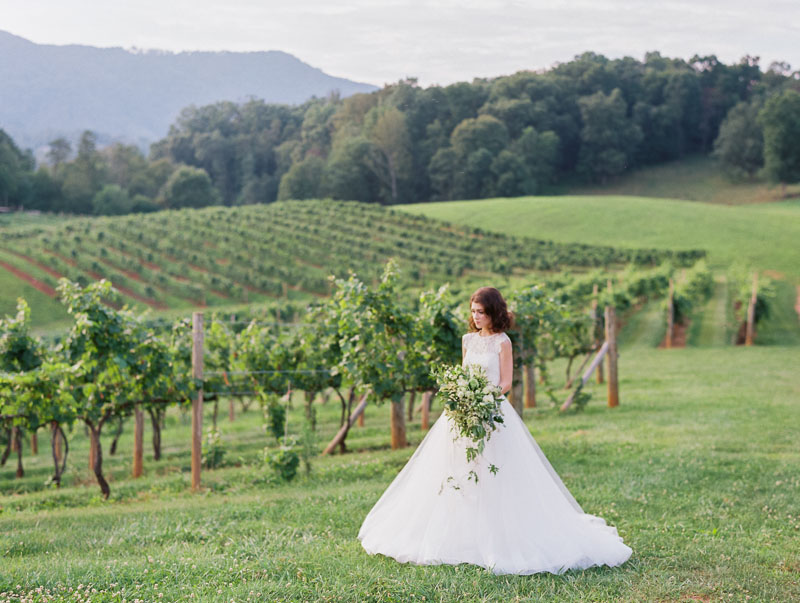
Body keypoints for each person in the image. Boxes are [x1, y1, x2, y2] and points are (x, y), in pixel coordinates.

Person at [358, 286, 632, 575]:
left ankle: (498, 534)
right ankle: (459, 533)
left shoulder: (503, 342)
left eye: (481, 312)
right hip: (464, 413)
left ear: (493, 313)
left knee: (494, 470)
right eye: (473, 312)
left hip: (492, 411)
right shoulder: (467, 340)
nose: (476, 317)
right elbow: (464, 374)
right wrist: (462, 395)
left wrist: (483, 398)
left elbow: (505, 382)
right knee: (457, 470)